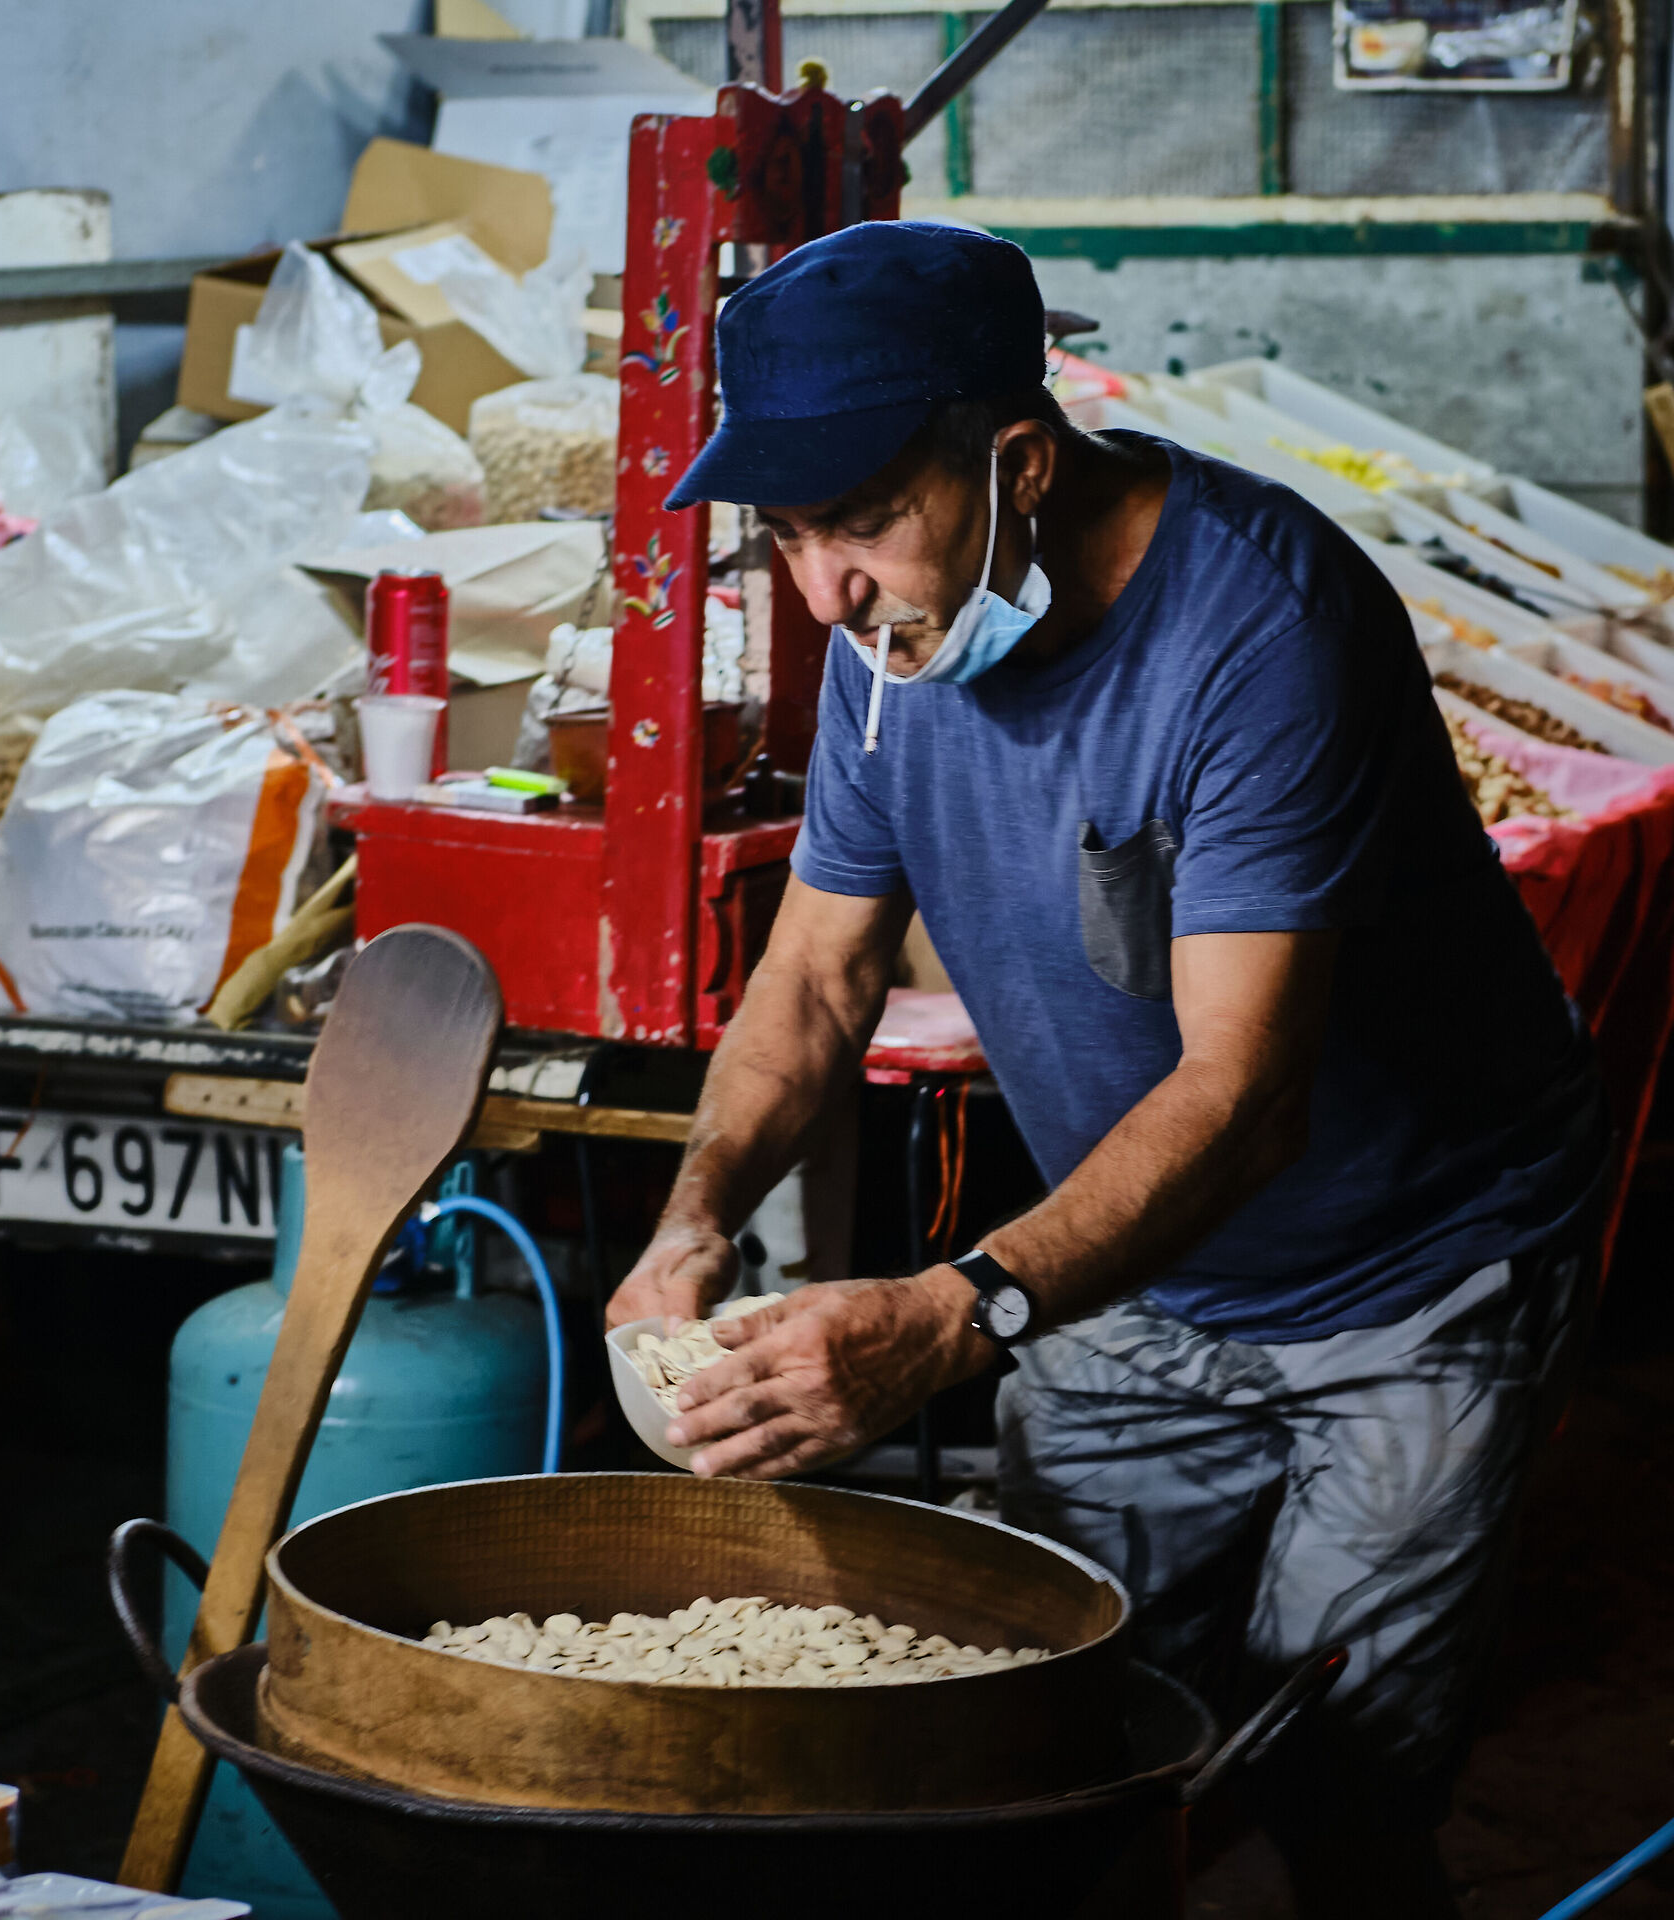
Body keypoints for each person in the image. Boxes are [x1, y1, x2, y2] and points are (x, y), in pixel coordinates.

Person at [605, 221, 1605, 1918]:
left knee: (1334, 1768)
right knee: (1038, 1727)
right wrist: (696, 1216)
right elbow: (815, 980)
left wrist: (955, 1312)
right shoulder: (888, 662)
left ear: (1018, 458)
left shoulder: (1261, 632)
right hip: (1130, 1272)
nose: (824, 592)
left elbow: (1244, 1091)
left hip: (1414, 1277)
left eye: (860, 522)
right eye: (783, 535)